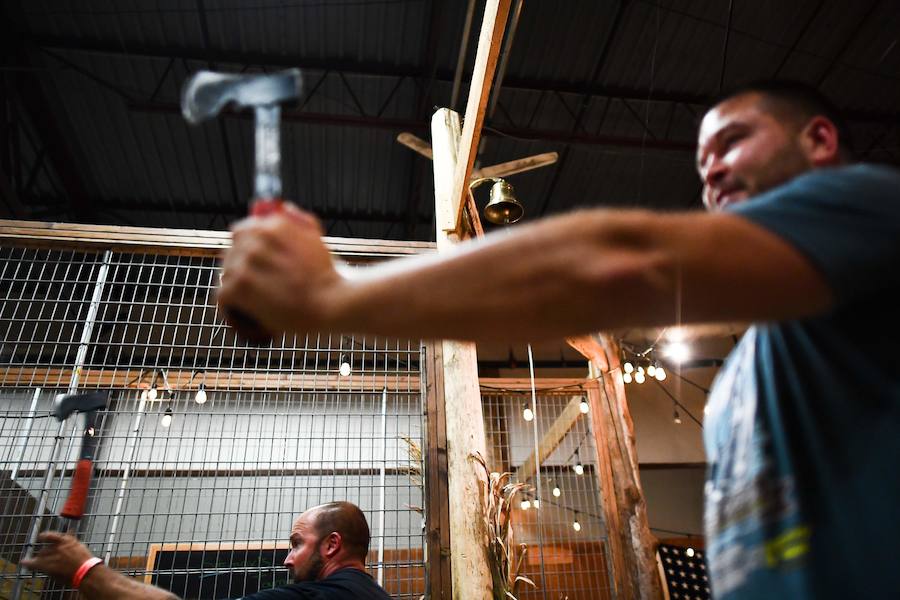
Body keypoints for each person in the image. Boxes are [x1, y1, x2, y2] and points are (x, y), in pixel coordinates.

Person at [217, 80, 900, 599]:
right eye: (701, 159)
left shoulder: (872, 208)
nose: (711, 170)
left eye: (733, 142)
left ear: (818, 140)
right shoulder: (739, 388)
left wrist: (332, 296)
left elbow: (625, 261)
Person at [22, 501, 391, 600]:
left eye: (297, 544)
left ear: (331, 545)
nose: (287, 557)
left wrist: (85, 569)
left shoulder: (316, 596)